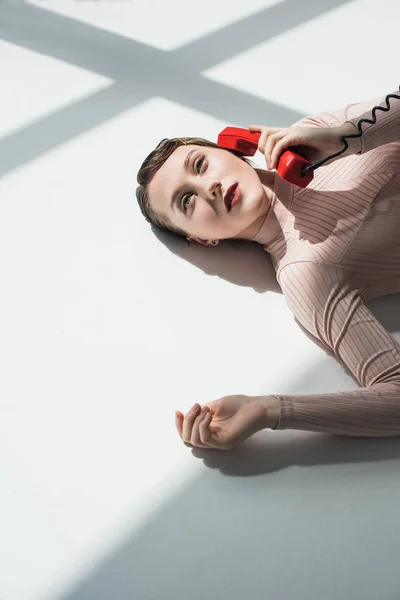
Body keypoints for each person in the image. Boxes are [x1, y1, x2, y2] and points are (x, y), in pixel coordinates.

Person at [136, 89, 400, 450]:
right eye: (187, 200)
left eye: (200, 165)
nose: (208, 187)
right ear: (200, 240)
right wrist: (271, 410)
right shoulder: (306, 275)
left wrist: (348, 137)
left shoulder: (316, 131)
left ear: (234, 149)